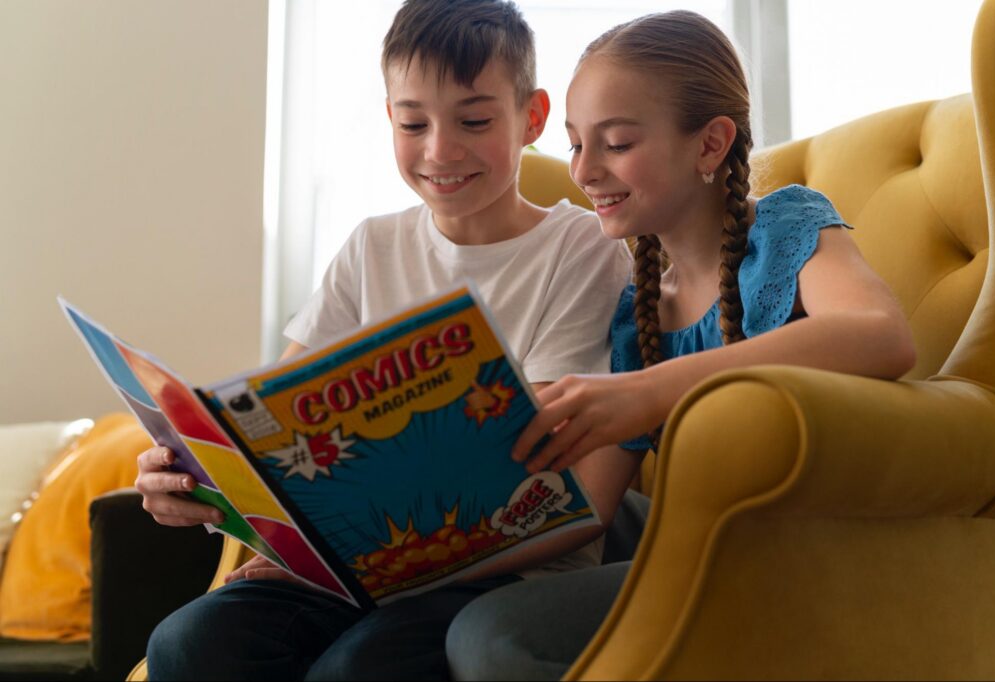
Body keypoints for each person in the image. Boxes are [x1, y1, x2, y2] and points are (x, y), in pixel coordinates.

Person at [133, 1, 636, 679]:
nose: (440, 150)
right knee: (188, 643)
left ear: (533, 119)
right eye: (412, 122)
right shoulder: (372, 246)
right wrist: (189, 474)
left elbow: (558, 487)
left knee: (361, 666)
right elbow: (266, 428)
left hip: (501, 576)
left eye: (475, 120)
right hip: (349, 572)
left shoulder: (582, 251)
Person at [446, 9, 916, 680]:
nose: (584, 170)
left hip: (811, 551)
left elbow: (884, 336)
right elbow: (585, 514)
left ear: (709, 143)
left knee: (490, 637)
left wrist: (650, 390)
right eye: (577, 144)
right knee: (467, 611)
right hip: (696, 542)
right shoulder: (640, 313)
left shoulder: (786, 226)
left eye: (615, 142)